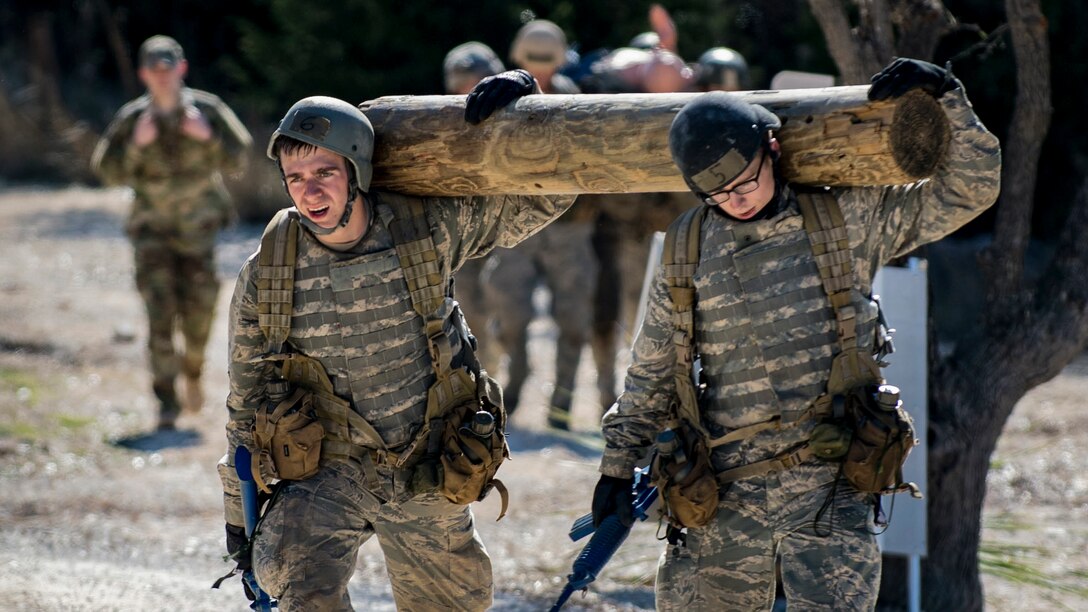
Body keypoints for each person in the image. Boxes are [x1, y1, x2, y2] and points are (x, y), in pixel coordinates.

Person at [590, 58, 1000, 609]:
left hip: (830, 489)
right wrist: (617, 468)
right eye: (718, 193)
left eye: (745, 181)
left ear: (773, 151)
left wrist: (947, 94)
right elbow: (653, 369)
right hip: (721, 494)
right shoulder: (689, 249)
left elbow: (969, 189)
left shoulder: (843, 220)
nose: (736, 199)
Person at [218, 70, 576, 611]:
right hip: (325, 471)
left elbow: (550, 194)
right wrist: (237, 521)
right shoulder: (270, 269)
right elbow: (244, 404)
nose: (309, 191)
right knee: (293, 578)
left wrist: (532, 109)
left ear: (356, 171)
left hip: (425, 467)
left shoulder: (424, 229)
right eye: (295, 177)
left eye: (324, 172)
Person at [91, 35, 252, 431]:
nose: (162, 78)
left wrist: (206, 137)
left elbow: (240, 156)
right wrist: (136, 146)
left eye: (169, 69)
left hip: (198, 233)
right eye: (154, 71)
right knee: (160, 319)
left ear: (181, 69)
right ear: (145, 73)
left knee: (199, 316)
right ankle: (166, 401)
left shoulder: (208, 109)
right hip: (152, 234)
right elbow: (105, 171)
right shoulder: (133, 118)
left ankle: (193, 372)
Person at [481, 19, 597, 430]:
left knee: (573, 318)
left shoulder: (572, 97)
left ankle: (562, 400)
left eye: (548, 62)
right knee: (509, 310)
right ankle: (516, 380)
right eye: (534, 62)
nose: (542, 70)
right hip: (516, 226)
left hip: (569, 227)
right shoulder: (501, 92)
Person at [441, 41, 506, 375]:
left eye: (476, 81)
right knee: (468, 310)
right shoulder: (439, 120)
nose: (469, 91)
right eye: (461, 83)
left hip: (506, 230)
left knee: (511, 310)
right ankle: (484, 377)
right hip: (462, 235)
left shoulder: (511, 114)